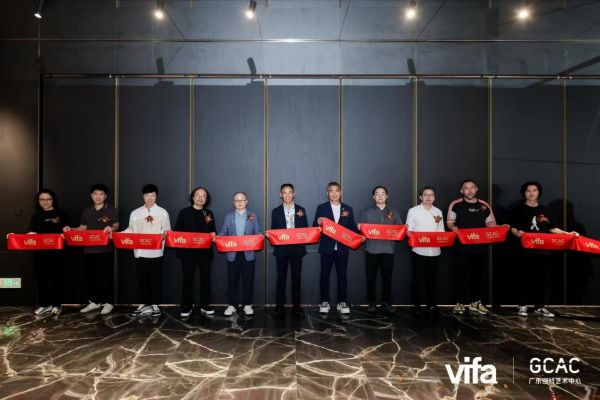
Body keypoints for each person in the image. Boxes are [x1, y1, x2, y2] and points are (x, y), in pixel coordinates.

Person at [510, 181, 578, 318]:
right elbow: (512, 227)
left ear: (539, 192)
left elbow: (553, 229)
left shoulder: (545, 210)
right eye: (528, 190)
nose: (531, 193)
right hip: (524, 250)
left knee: (541, 280)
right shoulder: (518, 209)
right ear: (524, 193)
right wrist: (517, 233)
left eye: (534, 190)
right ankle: (522, 305)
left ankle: (539, 306)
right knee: (523, 277)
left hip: (542, 250)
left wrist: (567, 233)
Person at [63, 184, 119, 315]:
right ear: (91, 195)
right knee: (91, 277)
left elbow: (116, 225)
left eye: (101, 194)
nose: (98, 197)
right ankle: (94, 302)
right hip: (88, 250)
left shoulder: (111, 210)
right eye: (95, 194)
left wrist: (111, 228)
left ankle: (108, 302)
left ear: (105, 196)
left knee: (105, 277)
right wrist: (71, 229)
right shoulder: (86, 211)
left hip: (105, 249)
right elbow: (82, 229)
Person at [447, 179, 498, 316]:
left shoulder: (484, 205)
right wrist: (453, 228)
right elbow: (450, 223)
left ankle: (476, 303)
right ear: (461, 191)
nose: (469, 190)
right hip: (461, 247)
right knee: (461, 276)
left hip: (480, 248)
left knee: (479, 276)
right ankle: (459, 303)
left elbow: (491, 224)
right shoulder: (456, 204)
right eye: (466, 188)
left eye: (472, 187)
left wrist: (500, 228)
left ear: (476, 189)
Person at [313, 181, 359, 315]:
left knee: (342, 276)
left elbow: (352, 228)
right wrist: (318, 222)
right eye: (331, 191)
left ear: (341, 192)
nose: (334, 193)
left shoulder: (348, 209)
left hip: (342, 249)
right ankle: (324, 301)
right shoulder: (321, 208)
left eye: (336, 190)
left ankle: (342, 301)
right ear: (327, 193)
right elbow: (314, 226)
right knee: (324, 275)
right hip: (326, 248)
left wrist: (360, 235)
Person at [125, 184, 171, 318]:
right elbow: (130, 230)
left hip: (156, 252)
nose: (150, 198)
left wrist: (164, 234)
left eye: (152, 195)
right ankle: (143, 303)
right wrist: (118, 235)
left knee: (155, 279)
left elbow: (167, 230)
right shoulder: (135, 213)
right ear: (143, 196)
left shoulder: (162, 212)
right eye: (147, 195)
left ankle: (155, 304)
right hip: (140, 252)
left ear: (156, 196)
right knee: (142, 279)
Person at [358, 185, 402, 314]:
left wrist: (404, 229)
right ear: (373, 197)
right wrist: (360, 230)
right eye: (377, 194)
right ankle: (372, 302)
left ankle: (386, 302)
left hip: (388, 250)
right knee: (370, 278)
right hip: (371, 249)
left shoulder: (394, 211)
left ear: (387, 196)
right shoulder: (367, 212)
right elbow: (361, 230)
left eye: (383, 193)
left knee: (387, 278)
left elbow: (399, 229)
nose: (380, 196)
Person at [173, 187, 217, 318]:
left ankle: (205, 304)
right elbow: (176, 231)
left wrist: (214, 234)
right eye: (198, 195)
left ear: (206, 199)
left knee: (206, 279)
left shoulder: (209, 213)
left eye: (204, 195)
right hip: (188, 253)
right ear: (193, 197)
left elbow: (213, 230)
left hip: (205, 253)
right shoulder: (184, 212)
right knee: (188, 279)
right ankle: (187, 305)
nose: (200, 197)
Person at [268, 183, 308, 318]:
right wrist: (270, 234)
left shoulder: (301, 210)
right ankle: (280, 305)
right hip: (281, 249)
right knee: (281, 278)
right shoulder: (276, 211)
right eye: (284, 192)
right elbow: (274, 230)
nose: (287, 195)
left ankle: (297, 306)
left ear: (294, 194)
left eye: (290, 192)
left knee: (296, 278)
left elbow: (306, 229)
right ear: (281, 195)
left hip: (297, 249)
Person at [219, 192, 263, 317]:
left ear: (246, 202)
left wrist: (260, 235)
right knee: (232, 280)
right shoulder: (228, 216)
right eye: (237, 200)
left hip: (248, 253)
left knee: (248, 279)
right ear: (233, 202)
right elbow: (223, 232)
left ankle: (247, 304)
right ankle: (232, 305)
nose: (239, 202)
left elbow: (258, 232)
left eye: (242, 200)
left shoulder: (252, 215)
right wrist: (218, 237)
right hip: (232, 253)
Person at [29, 189, 69, 316]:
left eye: (48, 199)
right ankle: (44, 304)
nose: (45, 202)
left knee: (56, 279)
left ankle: (57, 305)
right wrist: (16, 237)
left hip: (57, 253)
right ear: (38, 201)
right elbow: (32, 233)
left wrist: (66, 231)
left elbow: (66, 230)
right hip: (39, 254)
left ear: (53, 200)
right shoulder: (36, 215)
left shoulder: (61, 213)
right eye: (42, 199)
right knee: (41, 279)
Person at [406, 186, 444, 312]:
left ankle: (431, 304)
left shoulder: (438, 211)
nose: (428, 197)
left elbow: (441, 231)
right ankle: (416, 305)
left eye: (431, 195)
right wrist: (410, 233)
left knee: (432, 280)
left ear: (434, 197)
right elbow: (408, 230)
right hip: (418, 251)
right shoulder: (413, 211)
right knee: (417, 279)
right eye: (425, 195)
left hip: (435, 251)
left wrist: (442, 238)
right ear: (420, 197)